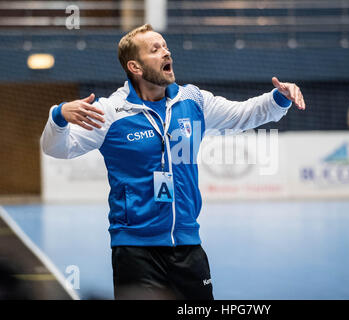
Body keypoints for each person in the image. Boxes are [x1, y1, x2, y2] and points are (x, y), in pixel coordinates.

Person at [40, 24, 305, 300]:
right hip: (135, 250)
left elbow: (243, 114)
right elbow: (57, 148)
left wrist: (278, 98)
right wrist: (58, 116)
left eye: (165, 46)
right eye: (155, 49)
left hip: (188, 245)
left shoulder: (193, 100)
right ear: (136, 67)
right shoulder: (110, 112)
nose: (166, 52)